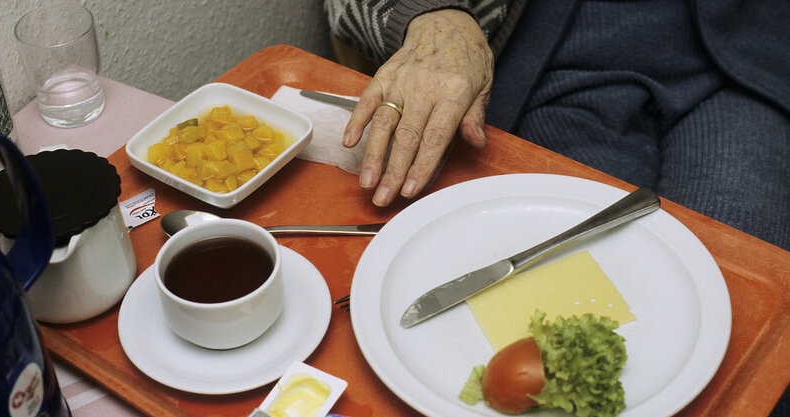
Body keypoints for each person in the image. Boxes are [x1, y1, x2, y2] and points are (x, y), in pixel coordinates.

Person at [324, 0, 789, 255]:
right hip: (555, 60)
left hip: (746, 58)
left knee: (746, 285)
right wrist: (435, 14)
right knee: (561, 273)